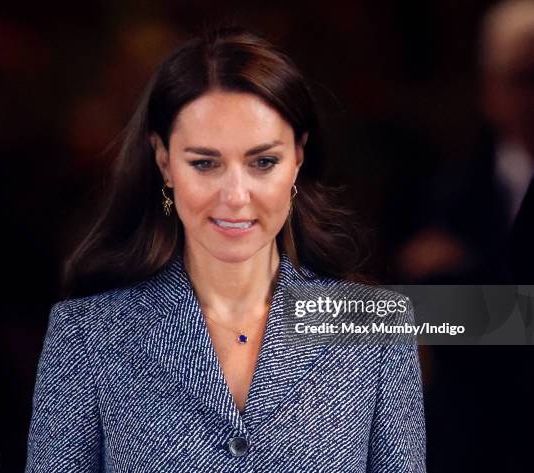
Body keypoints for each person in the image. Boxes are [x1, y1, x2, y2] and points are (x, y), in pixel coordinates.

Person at [25, 26, 426, 472]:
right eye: (205, 163)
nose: (235, 195)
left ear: (297, 158)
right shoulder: (85, 334)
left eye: (262, 162)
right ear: (164, 162)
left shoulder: (376, 327)